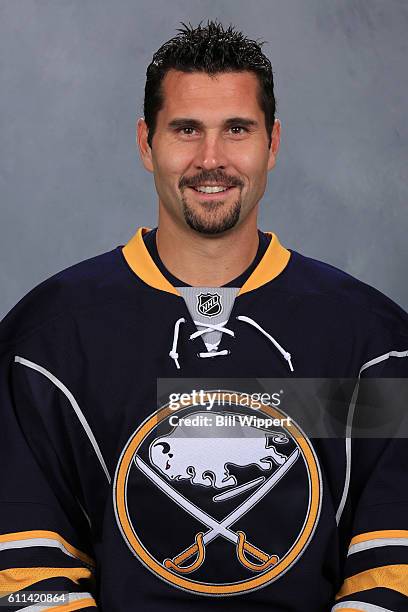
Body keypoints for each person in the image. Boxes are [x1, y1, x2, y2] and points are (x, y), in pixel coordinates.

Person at [1, 20, 407, 612]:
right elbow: (26, 573)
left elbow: (392, 567)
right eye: (186, 130)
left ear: (272, 143)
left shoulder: (372, 344)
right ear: (147, 143)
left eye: (236, 130)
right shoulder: (46, 344)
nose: (210, 159)